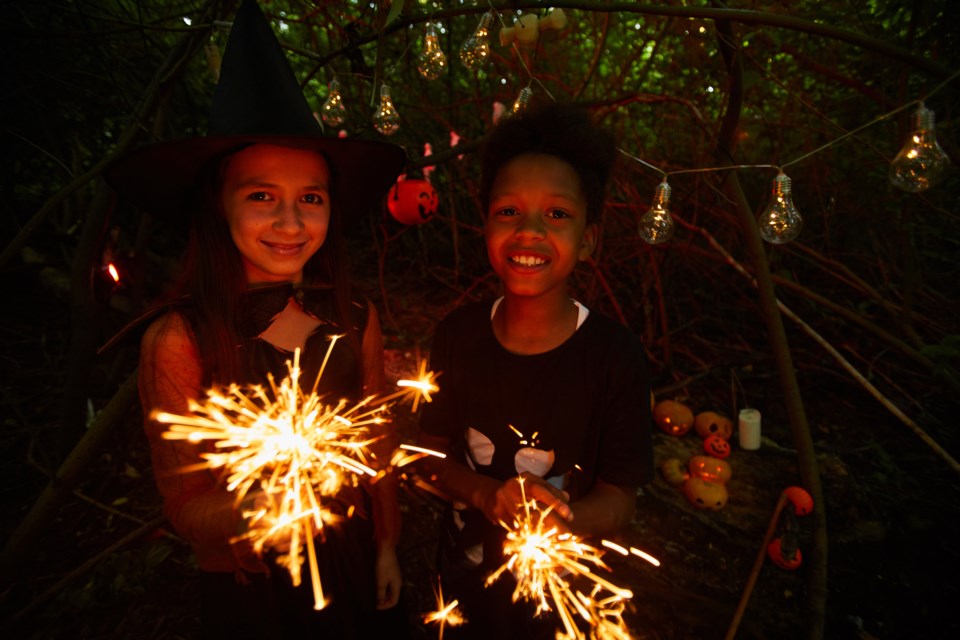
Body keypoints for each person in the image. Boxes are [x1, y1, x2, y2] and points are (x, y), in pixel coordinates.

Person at [104, 1, 408, 638]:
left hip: (350, 561)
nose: (292, 224)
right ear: (218, 207)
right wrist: (257, 508)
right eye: (262, 196)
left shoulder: (355, 317)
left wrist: (385, 543)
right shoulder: (180, 341)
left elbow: (377, 446)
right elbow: (184, 504)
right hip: (254, 589)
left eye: (311, 200)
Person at [417, 101, 654, 639]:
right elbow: (427, 458)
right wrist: (482, 495)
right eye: (508, 211)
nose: (529, 232)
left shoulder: (616, 359)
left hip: (563, 601)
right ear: (485, 225)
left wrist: (563, 516)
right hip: (460, 589)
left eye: (557, 214)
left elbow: (620, 502)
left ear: (588, 239)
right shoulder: (456, 336)